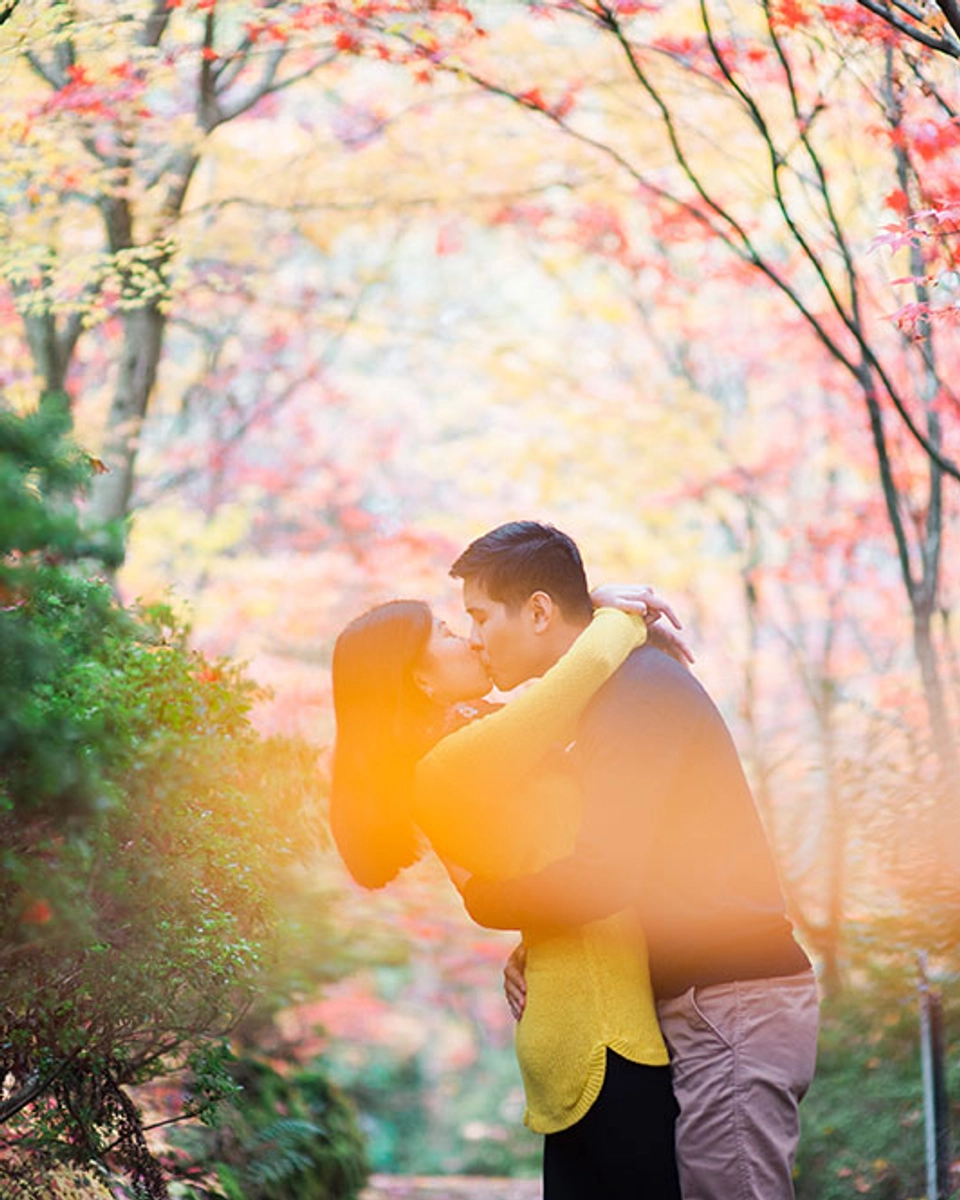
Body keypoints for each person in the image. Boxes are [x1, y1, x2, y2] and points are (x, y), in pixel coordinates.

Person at [447, 521, 820, 1200]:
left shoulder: (637, 689)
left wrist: (486, 899)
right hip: (699, 1002)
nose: (472, 638)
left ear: (537, 611)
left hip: (733, 1003)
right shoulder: (607, 693)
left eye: (478, 616)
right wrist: (541, 948)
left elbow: (600, 874)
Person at [330, 593, 683, 1199]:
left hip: (572, 1010)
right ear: (416, 675)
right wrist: (603, 605)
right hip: (599, 1024)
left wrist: (530, 934)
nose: (468, 638)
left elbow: (523, 872)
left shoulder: (465, 747)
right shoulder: (458, 760)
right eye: (444, 631)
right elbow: (587, 667)